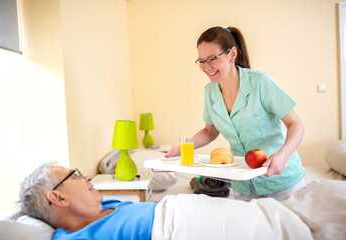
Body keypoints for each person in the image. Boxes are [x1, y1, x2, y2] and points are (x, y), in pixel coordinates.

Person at [165, 26, 305, 201]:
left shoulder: (260, 82)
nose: (206, 67)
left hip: (280, 180)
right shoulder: (210, 91)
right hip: (243, 183)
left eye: (212, 59)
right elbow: (210, 131)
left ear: (232, 54)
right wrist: (182, 149)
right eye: (201, 61)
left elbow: (296, 125)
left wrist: (282, 156)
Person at [18, 162, 156, 240]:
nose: (88, 176)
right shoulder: (78, 237)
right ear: (59, 198)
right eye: (74, 176)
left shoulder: (104, 205)